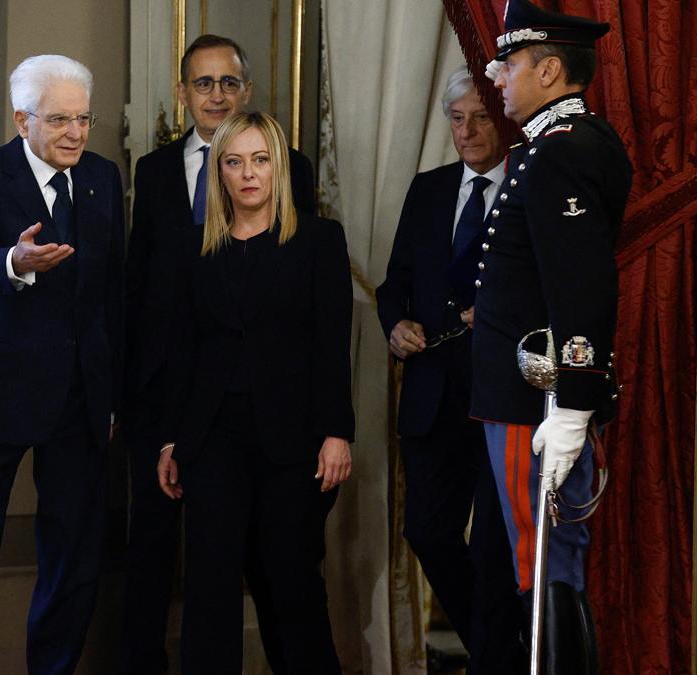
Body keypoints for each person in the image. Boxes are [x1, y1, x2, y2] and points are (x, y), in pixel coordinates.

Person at [0, 54, 124, 675]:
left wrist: (111, 395)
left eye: (84, 119)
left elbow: (112, 292)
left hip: (80, 400)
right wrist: (14, 262)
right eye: (60, 119)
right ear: (22, 120)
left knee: (72, 559)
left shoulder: (102, 177)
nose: (75, 133)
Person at [122, 33, 315, 674]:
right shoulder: (153, 173)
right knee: (157, 549)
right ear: (183, 94)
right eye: (203, 84)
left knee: (275, 560)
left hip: (262, 401)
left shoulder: (291, 169)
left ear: (246, 90)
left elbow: (298, 293)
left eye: (228, 83)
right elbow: (139, 285)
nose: (216, 95)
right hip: (169, 391)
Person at [156, 112, 354, 674]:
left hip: (294, 441)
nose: (249, 174)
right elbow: (183, 354)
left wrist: (337, 431)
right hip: (212, 437)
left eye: (260, 160)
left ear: (279, 169)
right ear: (219, 171)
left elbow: (331, 346)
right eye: (235, 161)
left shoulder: (319, 241)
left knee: (291, 579)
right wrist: (170, 441)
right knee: (210, 584)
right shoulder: (192, 247)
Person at [473, 0, 632, 670]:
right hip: (526, 395)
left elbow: (582, 289)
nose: (498, 76)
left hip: (532, 401)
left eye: (509, 64)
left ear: (550, 69)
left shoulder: (563, 155)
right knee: (542, 563)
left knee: (545, 565)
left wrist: (571, 406)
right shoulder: (551, 146)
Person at [376, 67, 523, 672]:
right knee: (429, 535)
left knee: (494, 551)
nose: (467, 131)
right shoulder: (430, 189)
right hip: (433, 397)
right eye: (457, 119)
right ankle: (502, 653)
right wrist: (396, 325)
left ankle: (495, 662)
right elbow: (396, 283)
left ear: (505, 120)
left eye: (481, 117)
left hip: (500, 396)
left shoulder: (527, 188)